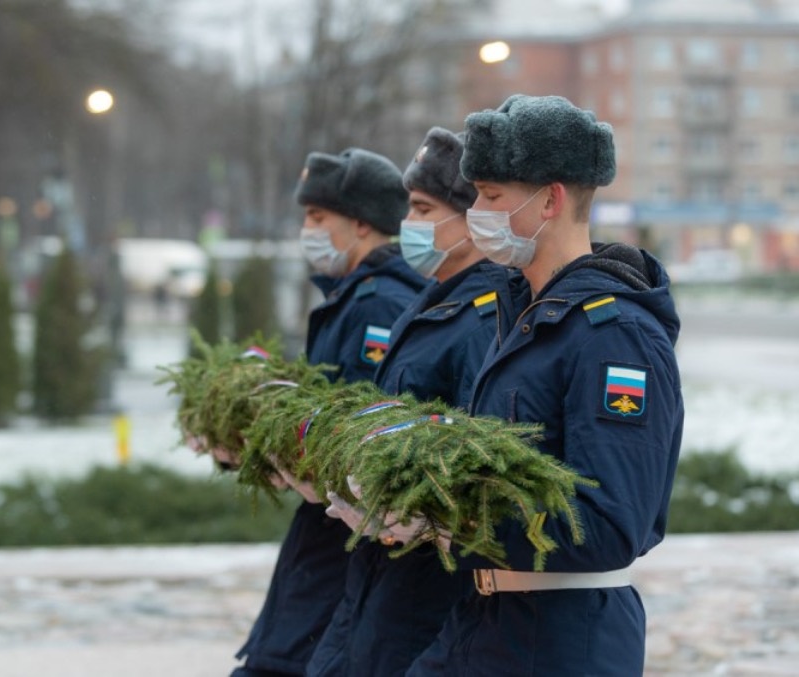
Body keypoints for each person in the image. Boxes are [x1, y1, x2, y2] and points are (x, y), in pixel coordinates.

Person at [407, 94, 684, 676]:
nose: (477, 211)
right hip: (487, 622)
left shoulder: (615, 336)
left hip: (561, 640)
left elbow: (608, 524)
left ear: (551, 199)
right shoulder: (522, 316)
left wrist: (450, 511)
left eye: (492, 196)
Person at [306, 127, 526, 676]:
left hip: (428, 585)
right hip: (383, 573)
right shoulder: (434, 303)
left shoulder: (483, 317)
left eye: (425, 209)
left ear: (471, 218)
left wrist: (418, 508)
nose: (410, 225)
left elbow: (473, 452)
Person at [232, 147, 425, 677]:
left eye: (318, 217)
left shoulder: (377, 304)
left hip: (341, 542)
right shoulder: (352, 296)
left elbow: (353, 428)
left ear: (361, 224)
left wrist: (284, 446)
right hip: (326, 541)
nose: (308, 230)